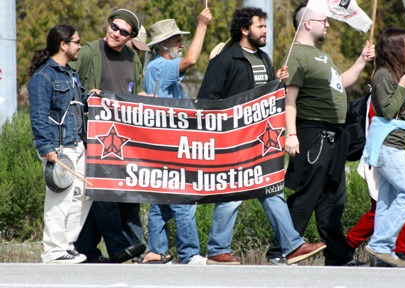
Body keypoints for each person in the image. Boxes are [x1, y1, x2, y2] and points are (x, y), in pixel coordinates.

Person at [197, 6, 326, 265]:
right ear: (245, 30)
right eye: (260, 26)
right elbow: (205, 101)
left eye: (266, 26)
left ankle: (291, 246)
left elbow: (264, 98)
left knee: (272, 190)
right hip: (233, 142)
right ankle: (217, 250)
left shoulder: (265, 59)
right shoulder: (224, 60)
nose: (266, 31)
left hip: (261, 142)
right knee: (233, 193)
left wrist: (276, 83)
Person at [265, 3, 375, 266]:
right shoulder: (296, 55)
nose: (327, 24)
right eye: (323, 20)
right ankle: (279, 251)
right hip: (313, 134)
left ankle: (338, 256)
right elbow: (288, 99)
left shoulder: (322, 57)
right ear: (307, 23)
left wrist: (361, 60)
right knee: (308, 194)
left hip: (335, 136)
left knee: (332, 198)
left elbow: (342, 82)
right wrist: (292, 135)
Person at [70, 9, 147, 263]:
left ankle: (86, 249)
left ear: (131, 37)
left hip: (123, 139)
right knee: (103, 191)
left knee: (120, 192)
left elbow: (135, 91)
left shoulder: (133, 60)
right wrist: (84, 95)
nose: (116, 33)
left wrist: (144, 99)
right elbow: (65, 80)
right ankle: (118, 246)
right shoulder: (91, 51)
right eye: (114, 26)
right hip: (93, 136)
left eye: (124, 31)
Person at [140, 8, 212, 265]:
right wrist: (202, 25)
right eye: (177, 40)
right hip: (168, 143)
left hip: (166, 142)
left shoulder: (156, 66)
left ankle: (155, 251)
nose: (182, 44)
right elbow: (191, 60)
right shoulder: (160, 65)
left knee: (162, 200)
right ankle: (189, 253)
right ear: (163, 45)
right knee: (184, 197)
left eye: (182, 39)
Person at [346, 55, 405, 265]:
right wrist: (402, 86)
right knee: (385, 206)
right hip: (383, 151)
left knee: (396, 202)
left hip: (399, 150)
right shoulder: (383, 82)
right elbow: (389, 112)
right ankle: (348, 245)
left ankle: (394, 252)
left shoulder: (396, 82)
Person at [28, 24, 92, 264]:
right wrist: (47, 149)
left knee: (84, 194)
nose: (79, 45)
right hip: (58, 146)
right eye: (76, 41)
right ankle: (53, 251)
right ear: (63, 45)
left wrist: (89, 98)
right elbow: (38, 116)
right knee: (60, 198)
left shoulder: (71, 74)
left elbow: (75, 107)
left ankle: (66, 244)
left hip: (77, 144)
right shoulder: (43, 77)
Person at [362, 28, 405, 267]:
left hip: (397, 146)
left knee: (387, 202)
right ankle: (380, 244)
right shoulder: (382, 76)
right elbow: (388, 111)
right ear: (395, 48)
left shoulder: (397, 75)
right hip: (388, 146)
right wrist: (401, 85)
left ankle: (384, 254)